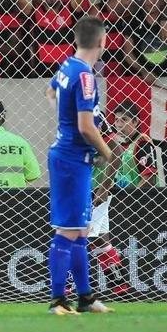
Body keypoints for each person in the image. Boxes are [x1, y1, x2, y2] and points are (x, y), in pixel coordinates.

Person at [46, 16, 114, 315]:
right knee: (68, 231)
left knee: (81, 231)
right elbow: (86, 127)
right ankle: (58, 300)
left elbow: (50, 92)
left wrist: (64, 122)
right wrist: (107, 152)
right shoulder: (85, 76)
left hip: (72, 157)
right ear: (102, 42)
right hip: (72, 159)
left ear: (76, 39)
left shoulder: (67, 66)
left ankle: (85, 298)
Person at [97, 101, 157, 294]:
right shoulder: (114, 143)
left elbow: (149, 176)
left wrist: (132, 196)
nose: (119, 124)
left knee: (90, 238)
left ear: (136, 122)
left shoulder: (143, 142)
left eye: (124, 120)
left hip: (135, 202)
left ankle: (70, 286)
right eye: (117, 120)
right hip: (112, 199)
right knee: (97, 239)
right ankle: (119, 286)